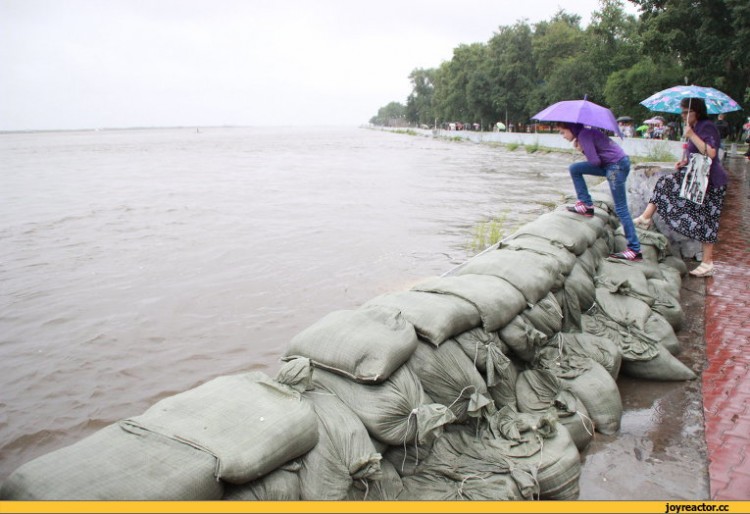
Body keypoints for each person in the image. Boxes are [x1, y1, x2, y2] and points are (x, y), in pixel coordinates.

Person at [632, 97, 728, 277]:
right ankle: (646, 217)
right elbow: (696, 154)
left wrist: (692, 135)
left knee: (708, 220)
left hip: (712, 182)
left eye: (686, 112)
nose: (683, 115)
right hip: (698, 178)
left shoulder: (707, 127)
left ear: (696, 111)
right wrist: (684, 161)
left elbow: (711, 153)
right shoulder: (696, 126)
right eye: (682, 112)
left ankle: (707, 262)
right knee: (666, 184)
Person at [558, 122, 642, 261]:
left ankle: (634, 249)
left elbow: (595, 162)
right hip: (616, 164)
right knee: (575, 168)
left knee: (621, 209)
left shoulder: (584, 135)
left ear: (571, 129)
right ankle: (586, 205)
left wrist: (583, 150)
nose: (562, 136)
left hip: (615, 167)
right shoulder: (585, 133)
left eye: (563, 132)